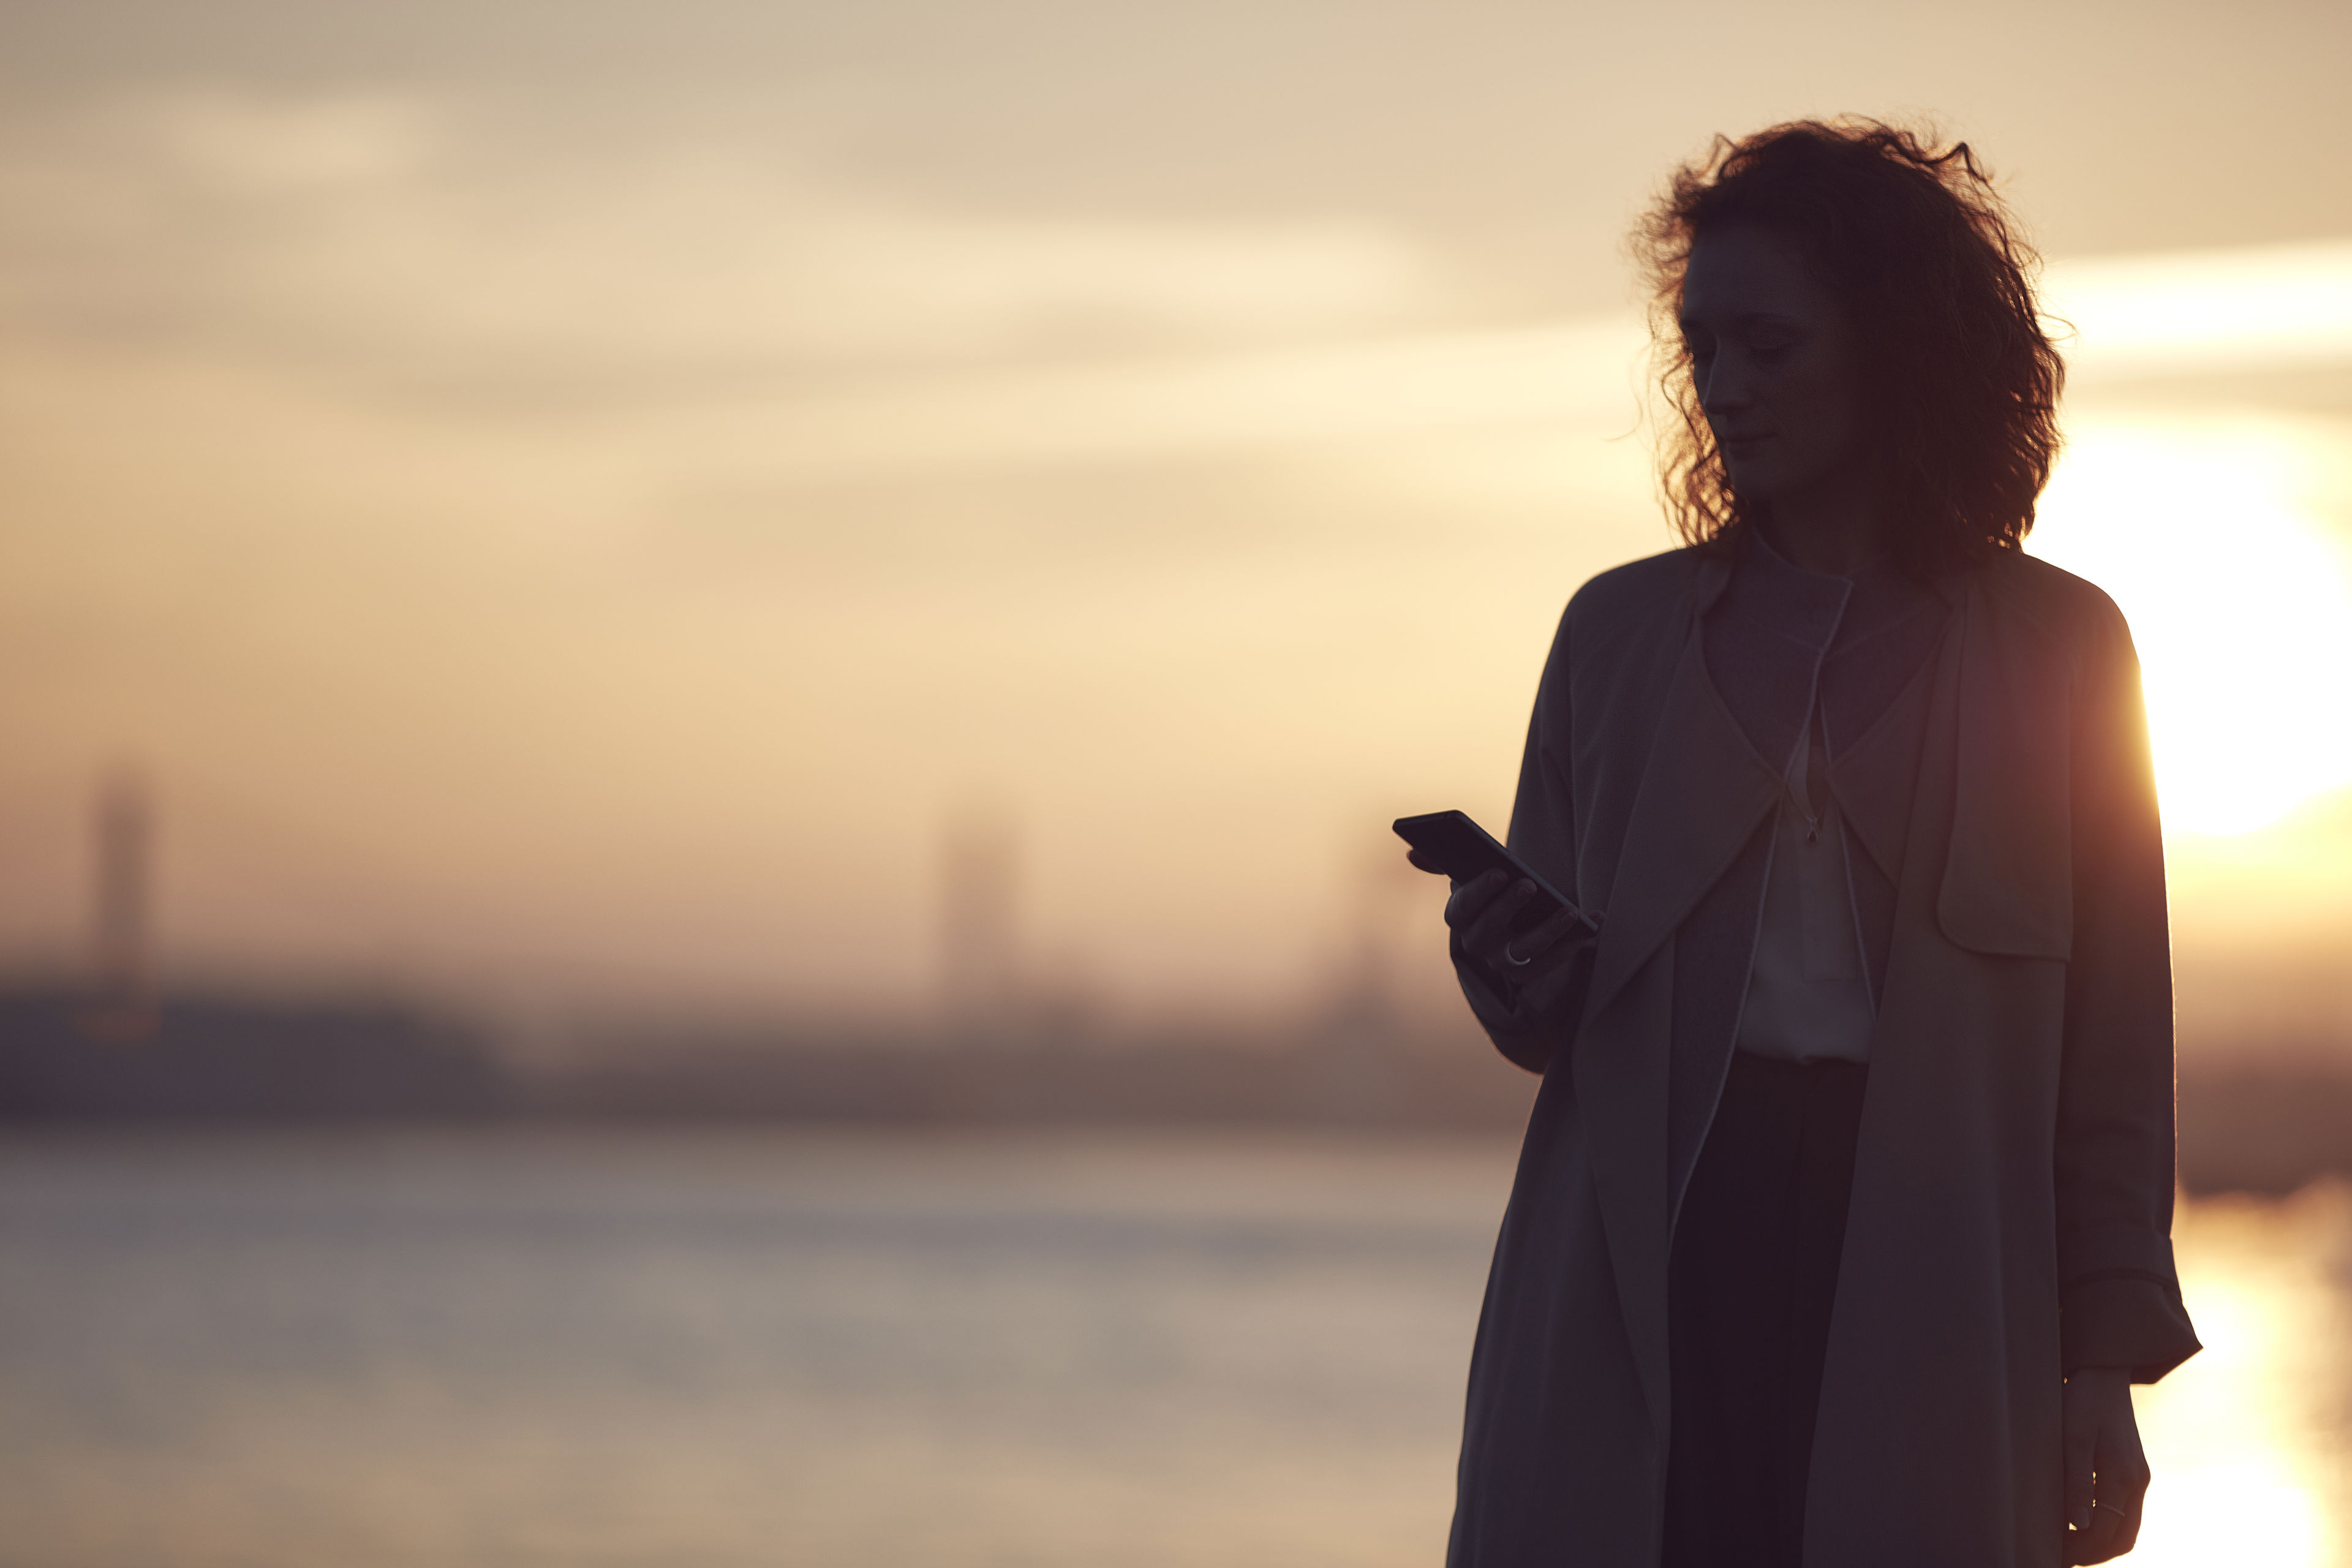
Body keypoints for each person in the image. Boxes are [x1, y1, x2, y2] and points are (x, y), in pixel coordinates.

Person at [1410, 120, 2199, 1568]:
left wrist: (2105, 1371)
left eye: (1770, 345)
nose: (1725, 388)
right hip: (1632, 1265)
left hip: (1941, 1263)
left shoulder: (2065, 650)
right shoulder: (1615, 636)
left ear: (1896, 348)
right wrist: (1504, 968)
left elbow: (2113, 1055)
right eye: (1703, 347)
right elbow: (1554, 1025)